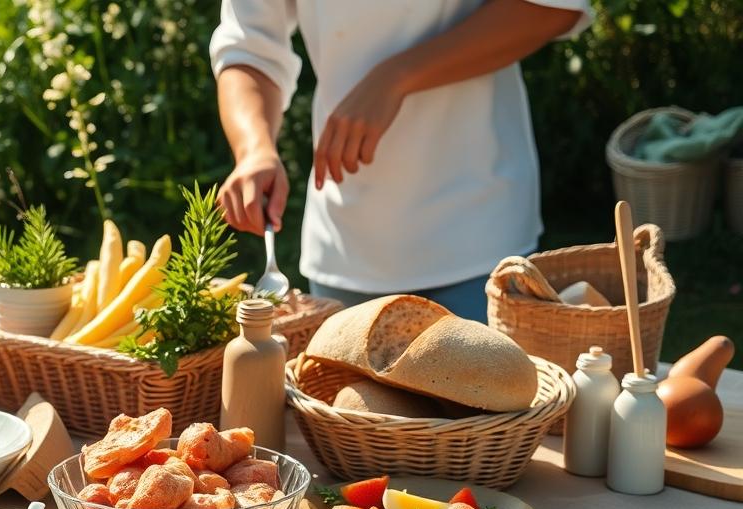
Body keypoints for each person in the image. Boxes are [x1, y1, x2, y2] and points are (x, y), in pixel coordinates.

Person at [211, 0, 590, 321]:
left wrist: (396, 78)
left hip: (478, 238)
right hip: (346, 248)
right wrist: (255, 150)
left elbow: (554, 8)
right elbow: (249, 47)